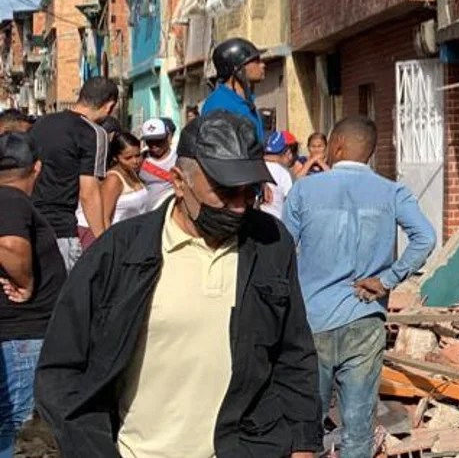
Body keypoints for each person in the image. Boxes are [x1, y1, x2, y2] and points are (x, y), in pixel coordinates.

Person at [35, 110, 321, 458]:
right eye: (225, 191)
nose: (239, 207)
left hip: (247, 447)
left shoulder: (270, 244)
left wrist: (304, 443)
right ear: (178, 181)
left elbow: (294, 353)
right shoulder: (119, 253)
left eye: (250, 192)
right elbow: (62, 370)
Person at [284, 117, 437, 458]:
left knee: (306, 424)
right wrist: (387, 279)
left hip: (312, 321)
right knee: (358, 427)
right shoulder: (391, 191)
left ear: (335, 145)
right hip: (365, 318)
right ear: (371, 151)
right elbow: (426, 237)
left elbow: (281, 251)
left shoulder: (305, 189)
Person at [0, 132, 65, 458]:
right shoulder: (11, 199)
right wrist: (24, 280)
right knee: (20, 431)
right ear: (37, 168)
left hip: (19, 339)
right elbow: (10, 245)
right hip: (22, 337)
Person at [30, 77, 117, 271]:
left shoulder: (41, 124)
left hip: (32, 228)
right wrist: (104, 240)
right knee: (69, 298)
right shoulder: (94, 133)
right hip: (61, 232)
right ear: (109, 106)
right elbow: (89, 193)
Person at [202, 38, 266, 144]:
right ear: (237, 68)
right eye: (256, 61)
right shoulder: (218, 105)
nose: (263, 65)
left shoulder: (246, 101)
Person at [100, 132, 150, 227]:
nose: (135, 161)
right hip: (120, 236)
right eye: (128, 158)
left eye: (138, 155)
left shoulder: (133, 173)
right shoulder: (113, 179)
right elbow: (104, 217)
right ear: (116, 158)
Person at [138, 117, 177, 207]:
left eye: (158, 140)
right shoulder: (140, 160)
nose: (154, 145)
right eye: (150, 141)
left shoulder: (178, 160)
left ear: (168, 137)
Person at [260, 130, 295, 221]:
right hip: (276, 221)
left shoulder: (257, 166)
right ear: (288, 153)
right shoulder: (284, 173)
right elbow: (290, 203)